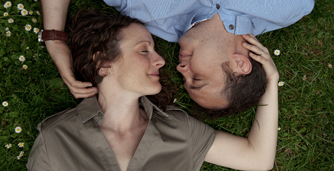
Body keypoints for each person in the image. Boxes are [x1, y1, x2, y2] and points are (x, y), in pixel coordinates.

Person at [39, 0, 321, 113]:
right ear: (240, 64)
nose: (178, 69)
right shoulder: (293, 1)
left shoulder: (144, 6)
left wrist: (54, 40)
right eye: (197, 79)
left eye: (185, 81)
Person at [27, 10, 279, 171]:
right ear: (104, 63)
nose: (161, 61)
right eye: (144, 50)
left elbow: (258, 158)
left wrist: (270, 82)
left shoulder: (179, 129)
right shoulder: (56, 138)